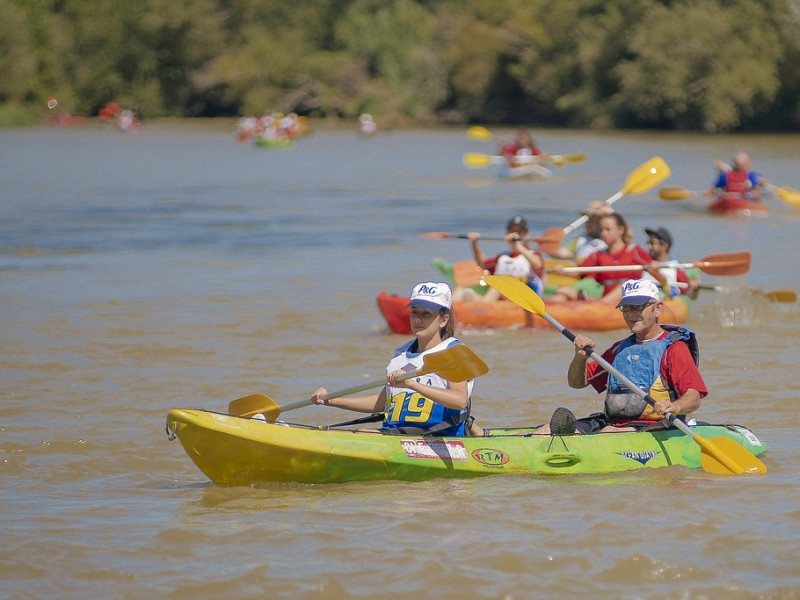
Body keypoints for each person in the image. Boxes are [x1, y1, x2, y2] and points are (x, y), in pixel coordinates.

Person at [543, 278, 707, 435]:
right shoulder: (619, 349)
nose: (630, 314)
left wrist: (675, 407)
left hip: (655, 426)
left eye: (638, 307)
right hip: (610, 423)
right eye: (626, 307)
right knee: (546, 430)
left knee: (608, 433)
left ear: (658, 308)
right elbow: (577, 383)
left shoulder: (674, 349)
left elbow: (694, 397)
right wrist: (580, 358)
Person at [310, 282, 476, 436]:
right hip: (396, 434)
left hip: (437, 436)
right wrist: (331, 401)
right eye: (415, 312)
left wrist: (413, 384)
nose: (418, 319)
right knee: (336, 431)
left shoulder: (453, 353)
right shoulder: (401, 354)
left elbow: (459, 400)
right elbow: (382, 402)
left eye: (426, 314)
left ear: (444, 319)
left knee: (364, 433)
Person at [549, 212, 663, 304]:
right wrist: (563, 271)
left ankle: (598, 304)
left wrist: (657, 271)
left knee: (624, 285)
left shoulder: (634, 251)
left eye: (608, 229)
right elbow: (579, 271)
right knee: (563, 291)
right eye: (602, 230)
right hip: (607, 302)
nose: (603, 233)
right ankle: (543, 316)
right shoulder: (598, 255)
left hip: (629, 301)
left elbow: (658, 276)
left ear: (620, 230)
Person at [452, 215, 546, 302]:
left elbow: (538, 265)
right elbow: (483, 264)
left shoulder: (534, 255)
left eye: (519, 232)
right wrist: (474, 243)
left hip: (525, 301)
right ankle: (449, 313)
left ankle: (481, 309)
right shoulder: (502, 257)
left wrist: (518, 246)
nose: (515, 235)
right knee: (461, 290)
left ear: (527, 235)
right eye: (512, 231)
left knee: (499, 286)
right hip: (500, 300)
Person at [642, 226, 699, 299]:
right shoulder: (643, 263)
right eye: (648, 243)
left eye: (652, 243)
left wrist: (694, 289)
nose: (648, 247)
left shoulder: (675, 267)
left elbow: (690, 295)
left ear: (664, 246)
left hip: (666, 297)